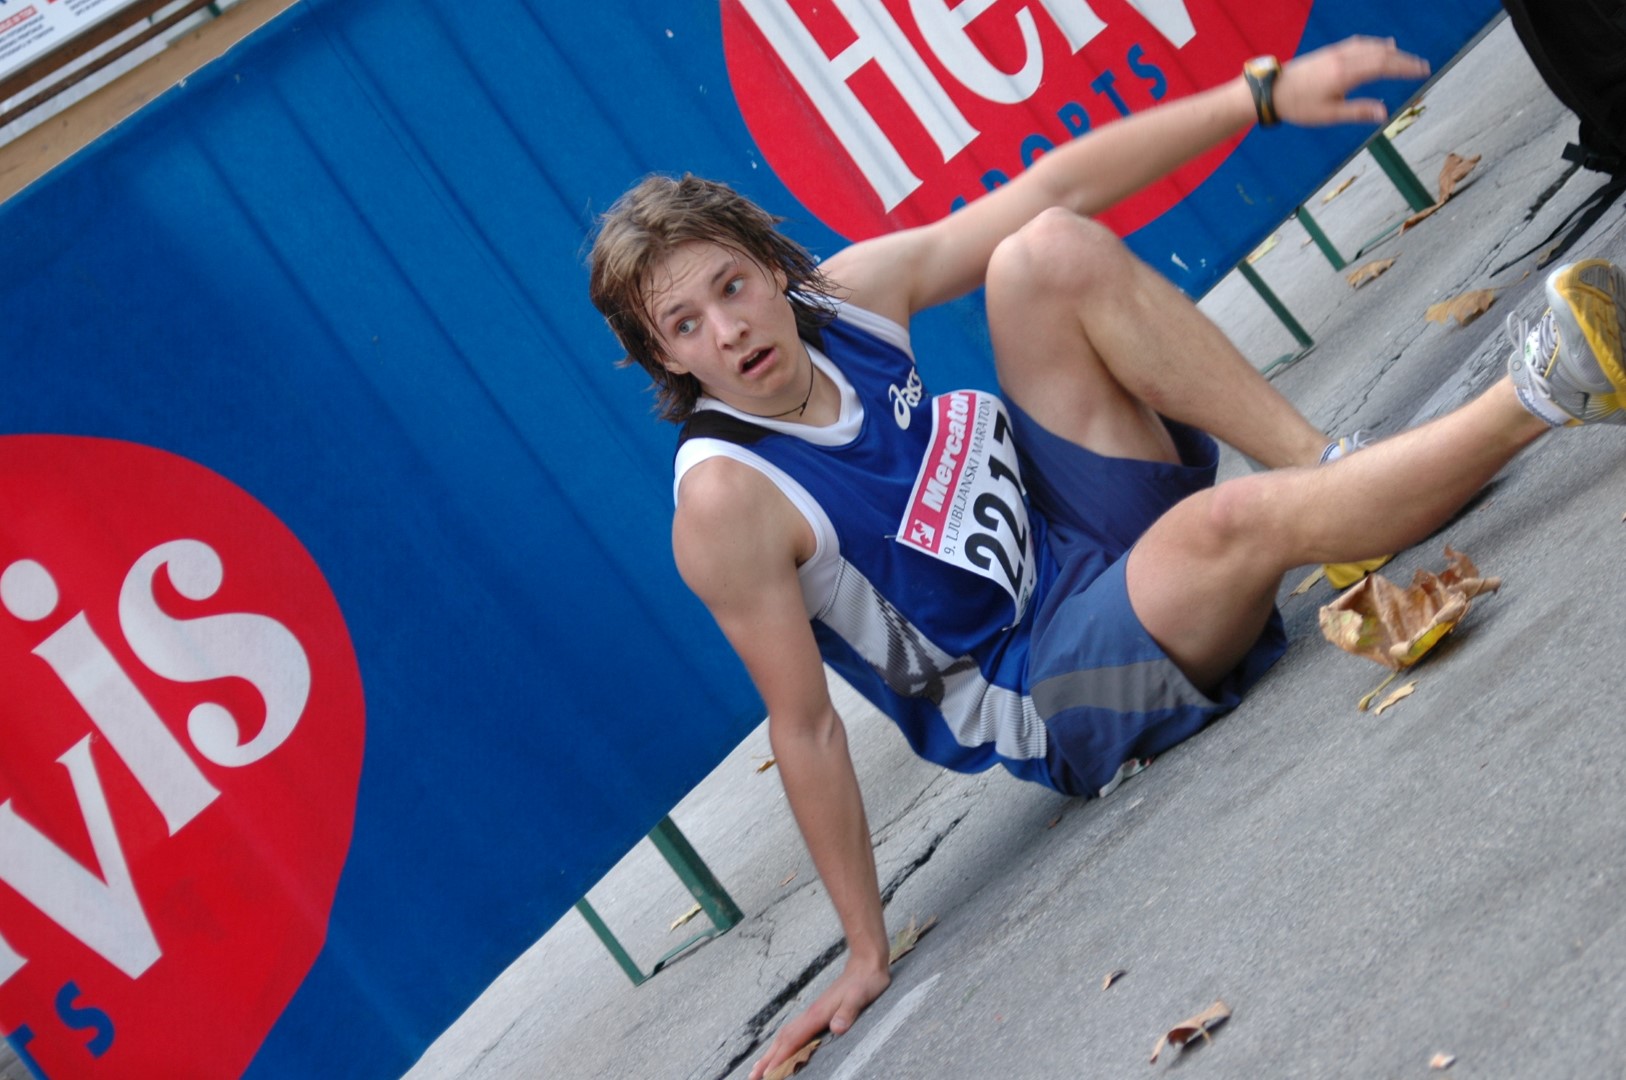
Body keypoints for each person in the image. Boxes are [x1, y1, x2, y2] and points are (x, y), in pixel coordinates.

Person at [585, 36, 1626, 1080]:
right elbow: (805, 726)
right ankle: (1548, 387)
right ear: (662, 355)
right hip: (1045, 683)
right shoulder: (725, 500)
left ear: (773, 268)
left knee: (1041, 250)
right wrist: (865, 949)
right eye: (686, 324)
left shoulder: (846, 302)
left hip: (1079, 534)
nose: (728, 330)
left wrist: (1260, 96)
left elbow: (1055, 187)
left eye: (732, 286)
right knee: (1230, 526)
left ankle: (1337, 476)